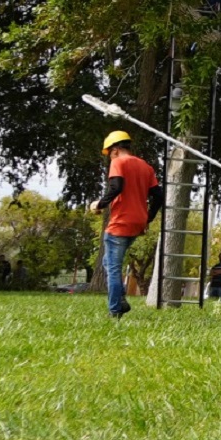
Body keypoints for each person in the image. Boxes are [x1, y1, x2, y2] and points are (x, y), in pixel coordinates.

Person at [91, 131, 161, 320]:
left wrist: (99, 204)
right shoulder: (146, 167)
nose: (109, 157)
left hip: (121, 223)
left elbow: (116, 187)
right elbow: (159, 196)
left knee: (113, 268)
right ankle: (120, 298)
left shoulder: (118, 162)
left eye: (109, 153)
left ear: (115, 149)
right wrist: (148, 218)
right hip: (137, 223)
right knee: (108, 262)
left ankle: (115, 309)